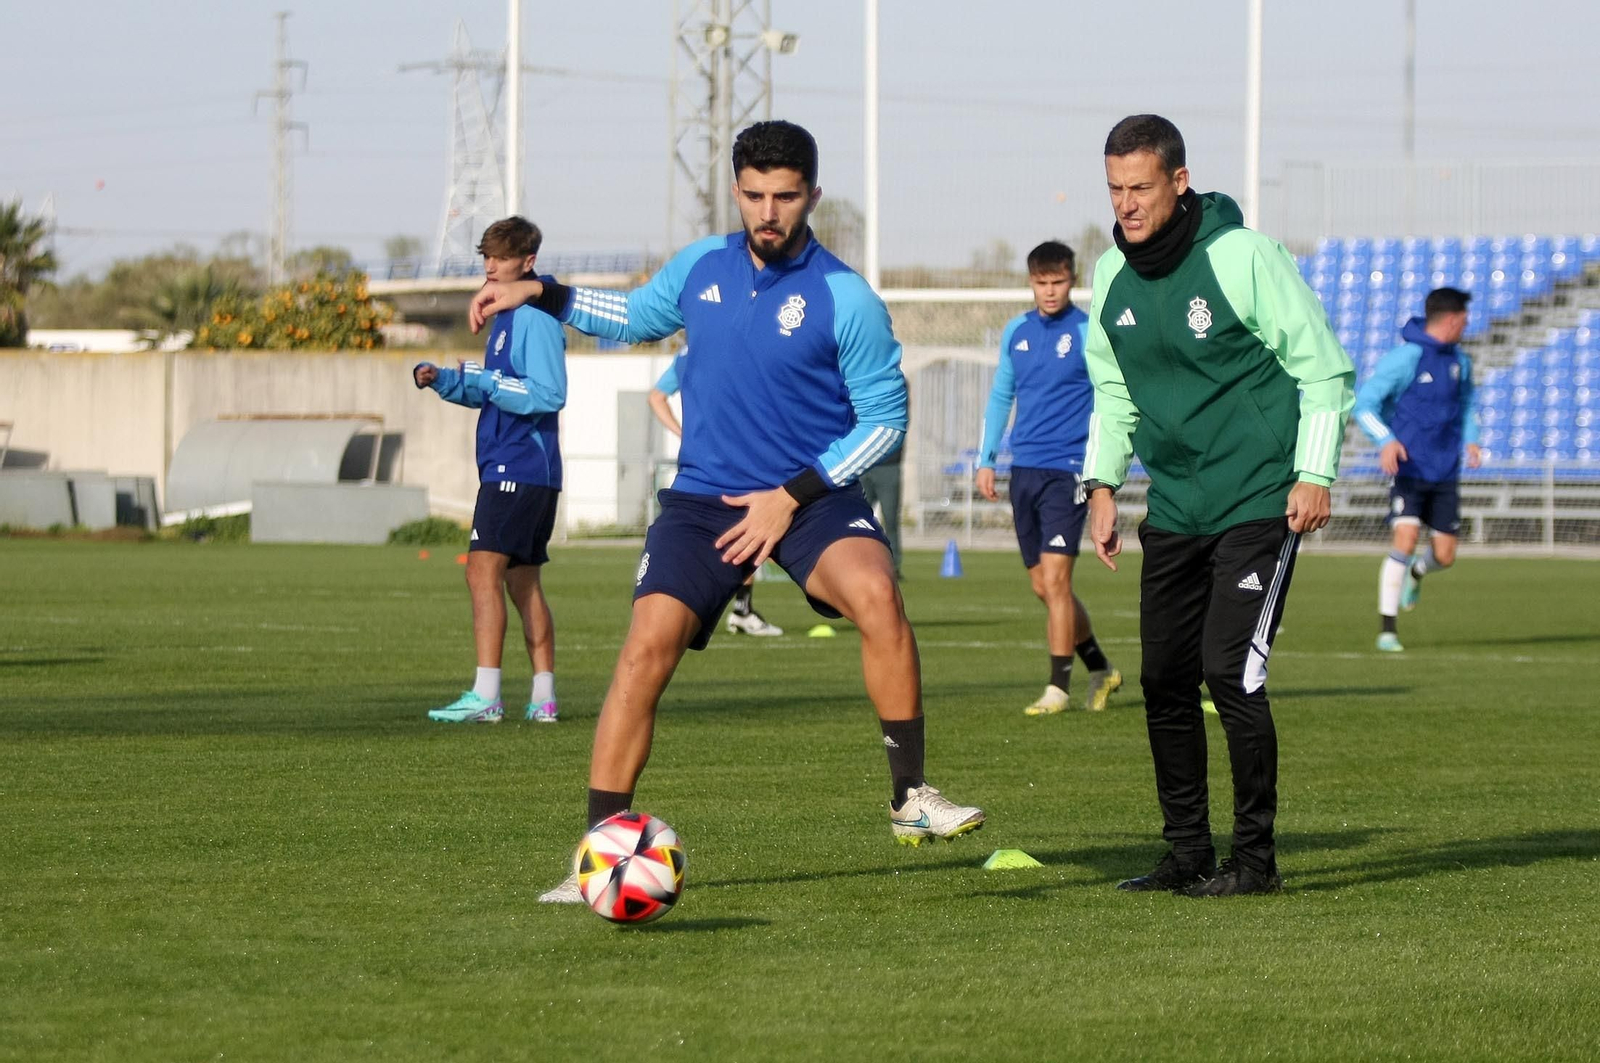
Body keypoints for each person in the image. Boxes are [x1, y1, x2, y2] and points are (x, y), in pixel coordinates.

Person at [469, 120, 985, 902]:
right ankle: (596, 857)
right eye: (753, 196)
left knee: (878, 593)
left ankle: (909, 797)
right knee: (645, 648)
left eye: (784, 196)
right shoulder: (700, 267)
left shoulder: (846, 297)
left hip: (810, 495)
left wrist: (792, 495)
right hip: (704, 499)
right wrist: (542, 290)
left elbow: (884, 422)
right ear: (736, 192)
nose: (768, 211)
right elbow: (634, 318)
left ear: (812, 194)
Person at [1080, 115, 1354, 897]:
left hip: (1260, 497)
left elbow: (1323, 368)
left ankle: (1256, 862)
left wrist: (1314, 470)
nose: (1126, 203)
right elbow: (1113, 390)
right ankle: (1187, 853)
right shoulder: (1109, 277)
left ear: (1179, 180)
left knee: (1229, 671)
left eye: (1140, 187)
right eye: (1115, 188)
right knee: (1165, 677)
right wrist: (1102, 485)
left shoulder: (1241, 256)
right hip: (1174, 507)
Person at [413, 216, 567, 724]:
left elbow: (548, 393)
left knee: (482, 571)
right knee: (523, 585)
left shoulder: (536, 317)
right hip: (522, 466)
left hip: (519, 465)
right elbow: (494, 385)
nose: (492, 267)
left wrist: (490, 385)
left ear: (529, 262)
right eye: (487, 258)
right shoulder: (506, 318)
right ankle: (543, 698)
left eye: (501, 258)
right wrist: (445, 380)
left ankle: (486, 696)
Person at [976, 240, 1122, 716]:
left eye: (1058, 281)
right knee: (1044, 587)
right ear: (1031, 282)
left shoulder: (1087, 332)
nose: (1050, 291)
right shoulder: (1016, 330)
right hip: (1025, 471)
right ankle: (1101, 667)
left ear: (1072, 280)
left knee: (1057, 581)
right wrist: (986, 458)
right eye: (1041, 282)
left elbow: (1109, 398)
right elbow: (1002, 396)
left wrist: (1102, 468)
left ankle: (1057, 687)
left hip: (1069, 470)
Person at [1353, 287, 1480, 652]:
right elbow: (1364, 405)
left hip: (1445, 471)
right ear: (1454, 319)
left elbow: (1468, 403)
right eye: (1465, 320)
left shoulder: (1460, 362)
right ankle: (1387, 630)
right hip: (1409, 470)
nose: (1466, 326)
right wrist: (1386, 441)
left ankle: (1417, 573)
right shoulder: (1405, 358)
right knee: (1405, 540)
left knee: (1445, 555)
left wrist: (1472, 439)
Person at [647, 349, 783, 636]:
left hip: (700, 465)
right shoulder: (724, 347)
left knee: (716, 535)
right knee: (748, 534)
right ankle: (738, 610)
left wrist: (682, 433)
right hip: (737, 461)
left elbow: (656, 397)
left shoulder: (687, 352)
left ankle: (727, 609)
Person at [857, 434, 905, 579]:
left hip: (889, 467)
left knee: (890, 519)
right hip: (864, 466)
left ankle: (893, 565)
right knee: (858, 520)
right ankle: (858, 561)